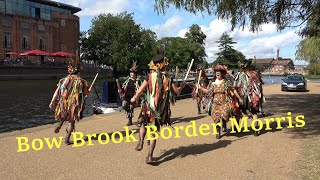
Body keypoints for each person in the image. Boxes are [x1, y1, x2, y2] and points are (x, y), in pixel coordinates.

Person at [130, 48, 186, 164]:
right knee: (154, 132)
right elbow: (177, 92)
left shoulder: (149, 77)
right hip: (159, 111)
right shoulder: (168, 79)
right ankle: (150, 156)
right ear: (164, 65)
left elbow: (140, 91)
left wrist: (134, 98)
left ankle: (140, 141)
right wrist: (183, 85)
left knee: (143, 124)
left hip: (148, 107)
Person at [49, 58, 91, 145]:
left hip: (63, 104)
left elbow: (57, 91)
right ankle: (67, 139)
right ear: (78, 71)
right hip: (74, 105)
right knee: (71, 122)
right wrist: (88, 91)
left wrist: (52, 101)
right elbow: (86, 94)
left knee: (68, 120)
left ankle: (68, 130)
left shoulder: (63, 80)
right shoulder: (82, 81)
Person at [198, 64, 242, 139]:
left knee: (225, 115)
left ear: (222, 73)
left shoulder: (226, 82)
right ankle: (218, 132)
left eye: (219, 71)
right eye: (216, 72)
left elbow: (233, 90)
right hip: (215, 103)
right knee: (216, 118)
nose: (217, 73)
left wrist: (239, 98)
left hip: (224, 102)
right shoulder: (212, 83)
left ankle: (224, 123)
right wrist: (200, 88)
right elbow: (208, 91)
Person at [234, 60, 263, 136]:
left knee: (238, 111)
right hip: (255, 96)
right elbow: (260, 84)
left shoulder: (241, 75)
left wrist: (235, 86)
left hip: (244, 96)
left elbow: (238, 84)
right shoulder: (255, 74)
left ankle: (236, 127)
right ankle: (256, 130)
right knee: (254, 113)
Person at [118, 61, 142, 126]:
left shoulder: (138, 81)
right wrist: (120, 90)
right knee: (124, 105)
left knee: (131, 107)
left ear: (135, 74)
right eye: (130, 73)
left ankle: (131, 121)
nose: (131, 74)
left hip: (135, 97)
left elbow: (141, 89)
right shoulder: (128, 81)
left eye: (132, 73)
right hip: (127, 97)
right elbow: (123, 88)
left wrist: (137, 86)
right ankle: (130, 117)